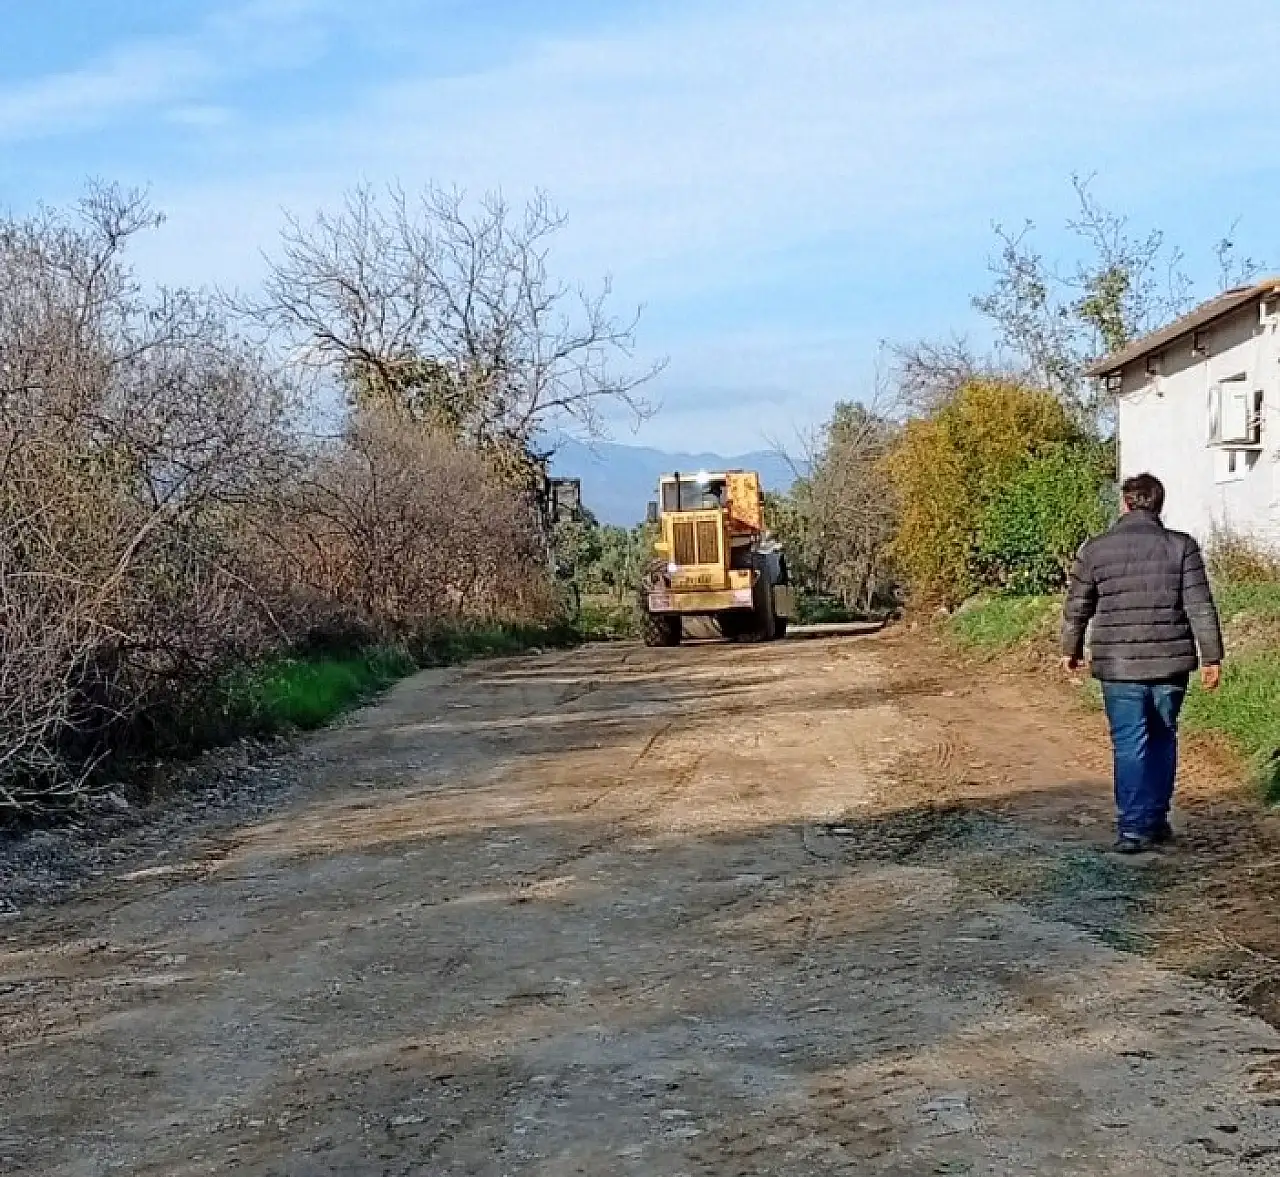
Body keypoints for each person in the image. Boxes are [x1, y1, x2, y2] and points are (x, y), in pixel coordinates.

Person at [1061, 473, 1224, 854]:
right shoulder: (1181, 547)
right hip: (1171, 664)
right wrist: (1212, 656)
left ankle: (1134, 829)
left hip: (1118, 665)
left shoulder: (1096, 549)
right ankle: (1155, 817)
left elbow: (1077, 605)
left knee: (1130, 743)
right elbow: (1200, 606)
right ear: (1159, 504)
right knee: (1164, 735)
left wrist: (1070, 648)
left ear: (1126, 503)